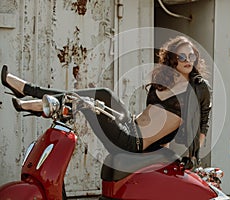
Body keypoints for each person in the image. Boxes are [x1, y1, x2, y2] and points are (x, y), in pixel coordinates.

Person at [1, 36, 211, 161]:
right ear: (173, 58)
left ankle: (32, 95)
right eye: (182, 56)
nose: (188, 60)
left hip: (133, 142)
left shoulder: (198, 87)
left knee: (87, 104)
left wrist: (191, 158)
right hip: (130, 124)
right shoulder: (164, 81)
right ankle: (31, 93)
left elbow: (202, 125)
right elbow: (152, 115)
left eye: (192, 56)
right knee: (103, 94)